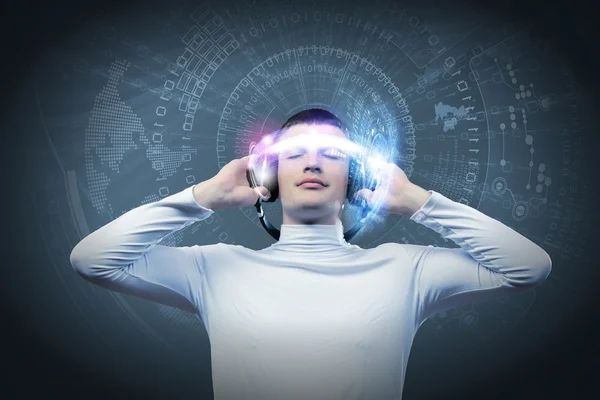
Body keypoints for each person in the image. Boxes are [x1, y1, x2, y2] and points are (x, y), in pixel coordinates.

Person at [70, 108, 552, 400]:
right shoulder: (215, 268)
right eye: (295, 151)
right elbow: (92, 258)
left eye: (334, 154)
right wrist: (205, 196)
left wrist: (418, 202)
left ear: (356, 182)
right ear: (269, 177)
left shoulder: (406, 269)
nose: (314, 160)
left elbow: (529, 266)